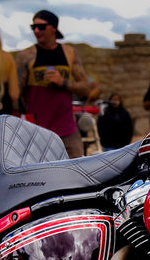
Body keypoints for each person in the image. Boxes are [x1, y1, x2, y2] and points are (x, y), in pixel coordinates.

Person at [14, 9, 94, 159]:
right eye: (34, 27)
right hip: (36, 133)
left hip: (67, 131)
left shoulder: (70, 53)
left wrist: (62, 82)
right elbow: (15, 95)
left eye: (41, 27)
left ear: (54, 28)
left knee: (75, 177)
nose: (36, 31)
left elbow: (86, 89)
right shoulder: (25, 56)